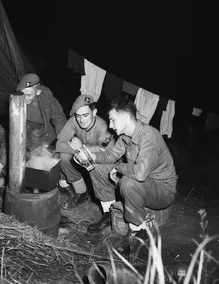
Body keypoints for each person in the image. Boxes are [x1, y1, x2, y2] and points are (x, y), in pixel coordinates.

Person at [75, 97, 177, 238]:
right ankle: (108, 212)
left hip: (162, 190)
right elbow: (112, 154)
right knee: (97, 167)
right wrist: (93, 156)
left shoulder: (149, 136)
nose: (110, 125)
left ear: (124, 116)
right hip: (143, 183)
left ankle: (137, 229)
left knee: (128, 183)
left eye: (112, 120)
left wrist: (119, 168)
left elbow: (140, 174)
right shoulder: (126, 136)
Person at [56, 94, 115, 209]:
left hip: (103, 164)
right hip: (84, 157)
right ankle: (81, 192)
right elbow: (59, 144)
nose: (81, 120)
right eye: (78, 116)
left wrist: (81, 148)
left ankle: (109, 207)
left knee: (98, 165)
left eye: (85, 115)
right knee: (63, 156)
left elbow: (106, 154)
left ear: (94, 112)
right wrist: (76, 150)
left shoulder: (104, 129)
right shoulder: (74, 121)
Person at [16, 73, 67, 158]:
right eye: (23, 94)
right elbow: (16, 134)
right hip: (27, 139)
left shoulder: (46, 95)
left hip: (47, 136)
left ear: (38, 92)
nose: (25, 98)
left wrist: (54, 146)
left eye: (29, 95)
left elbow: (59, 119)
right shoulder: (15, 102)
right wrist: (32, 149)